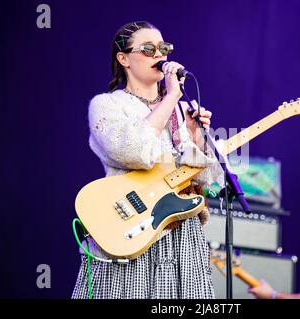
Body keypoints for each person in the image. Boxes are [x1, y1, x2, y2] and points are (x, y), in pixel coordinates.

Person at [72, 21, 223, 299]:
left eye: (163, 48)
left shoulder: (182, 112)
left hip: (178, 231)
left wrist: (196, 138)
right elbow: (134, 151)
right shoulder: (108, 105)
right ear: (123, 58)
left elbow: (206, 179)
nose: (160, 55)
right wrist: (170, 98)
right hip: (128, 228)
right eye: (149, 48)